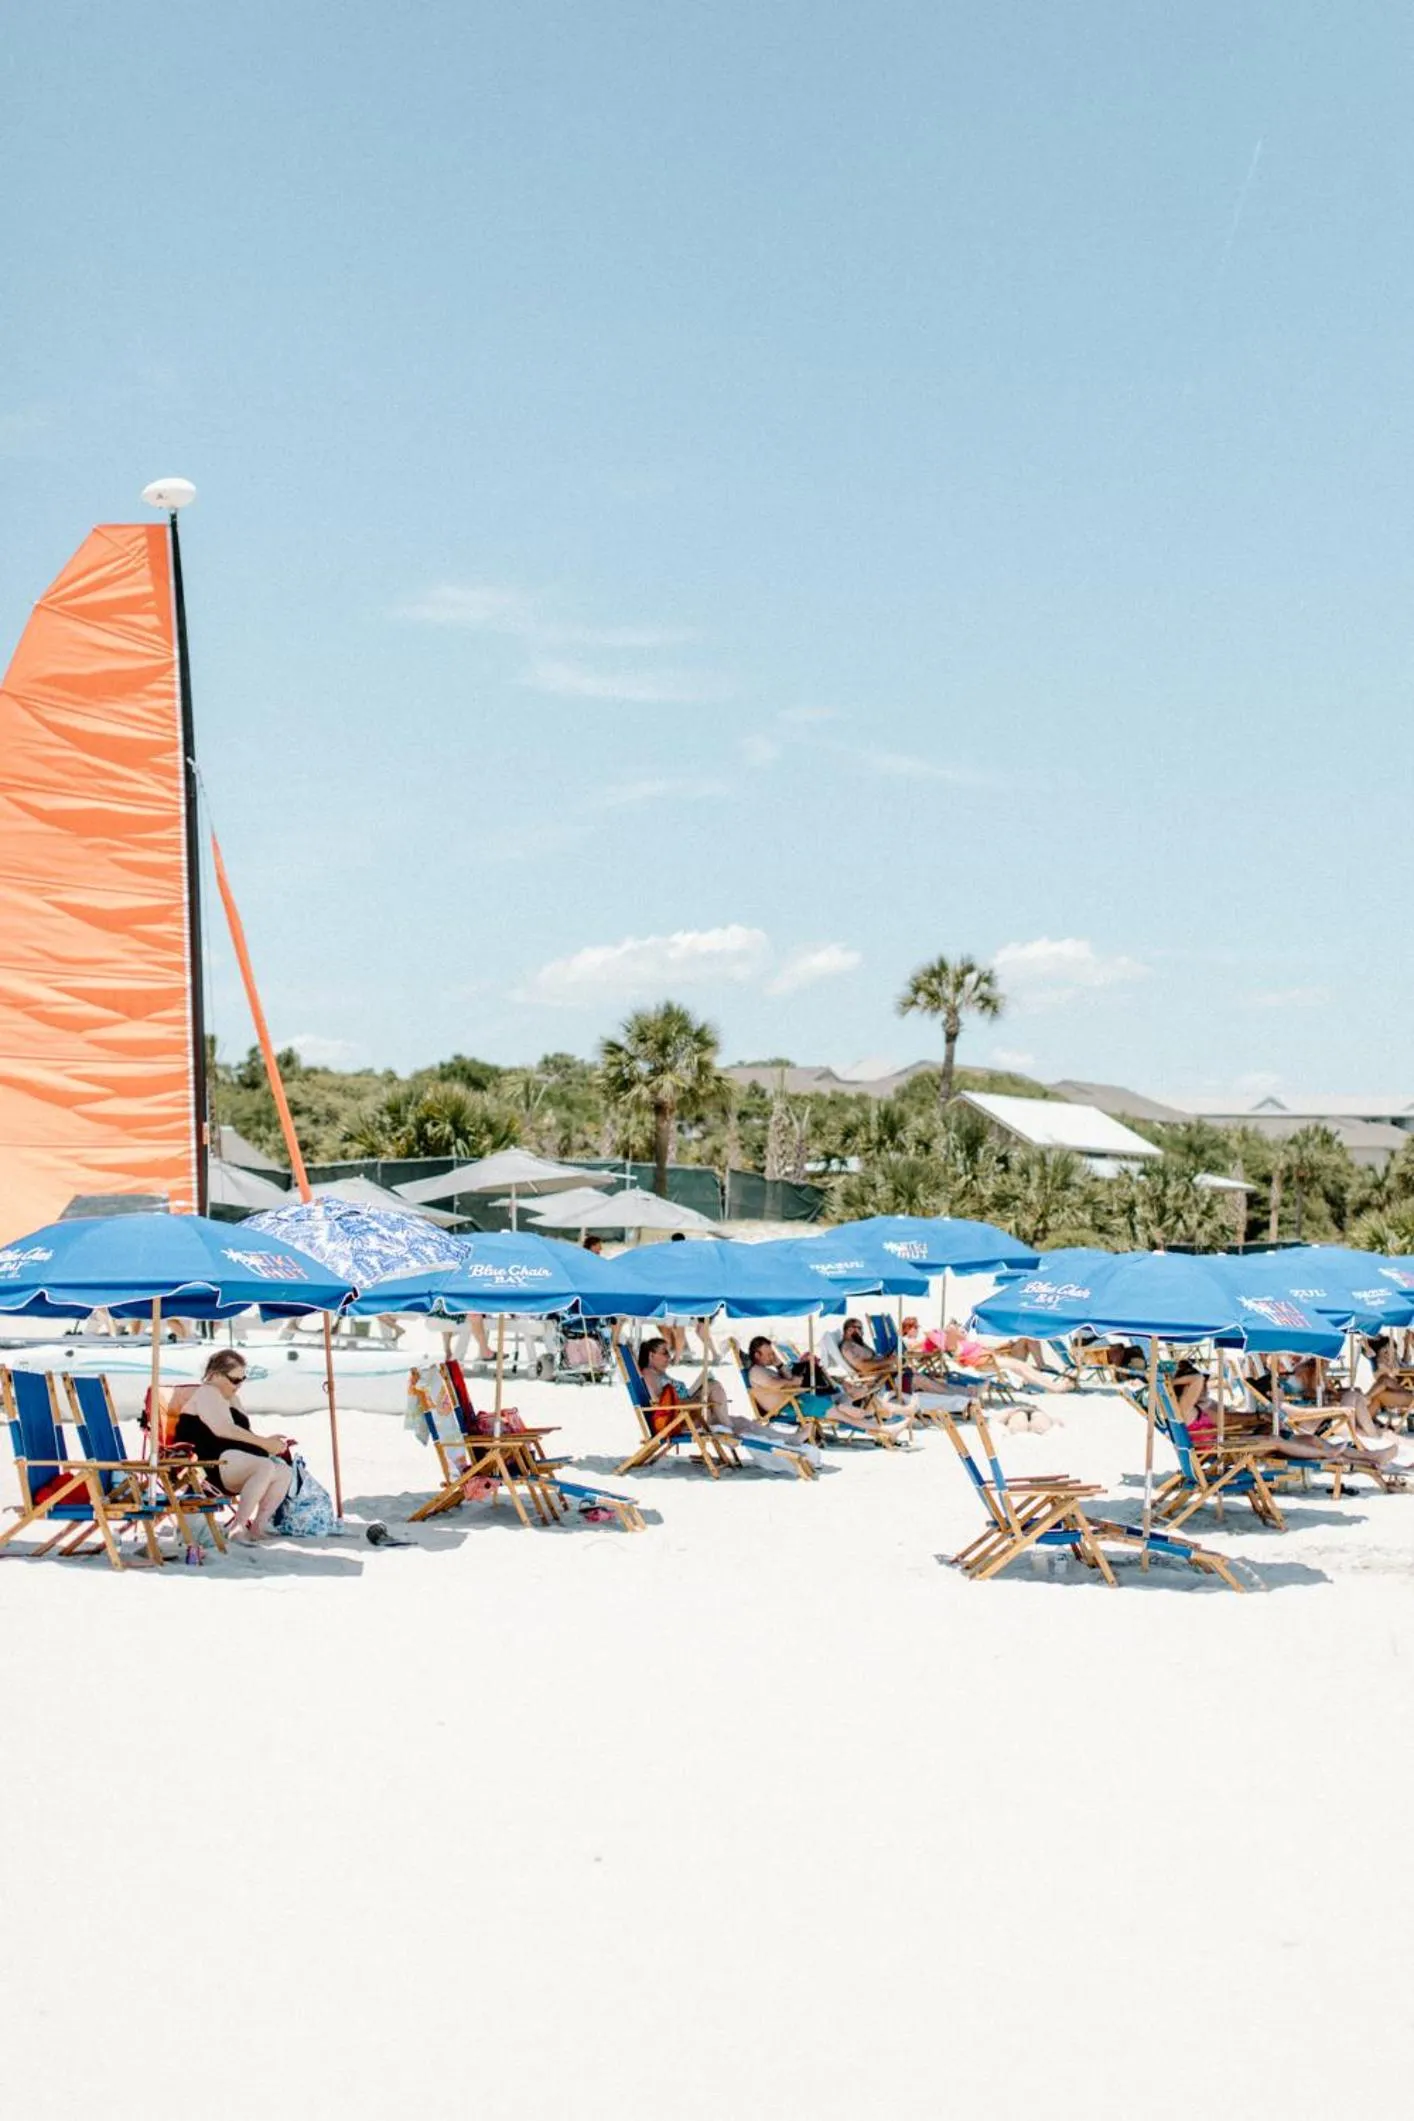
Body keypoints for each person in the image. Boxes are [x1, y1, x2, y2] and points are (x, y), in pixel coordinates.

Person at [638, 1336, 821, 1466]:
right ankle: (729, 1432)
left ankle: (790, 1439)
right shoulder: (649, 1374)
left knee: (743, 1421)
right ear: (651, 1355)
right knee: (714, 1386)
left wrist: (695, 1396)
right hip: (680, 1421)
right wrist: (694, 1400)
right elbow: (659, 1403)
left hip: (691, 1414)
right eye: (664, 1353)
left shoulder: (660, 1374)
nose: (669, 1356)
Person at [171, 1349, 294, 1542]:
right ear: (215, 1375)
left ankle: (257, 1527)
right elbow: (223, 1429)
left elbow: (243, 1435)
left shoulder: (232, 1399)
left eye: (243, 1379)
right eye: (235, 1380)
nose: (239, 1385)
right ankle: (238, 1526)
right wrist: (264, 1443)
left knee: (284, 1471)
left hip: (233, 1461)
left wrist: (269, 1443)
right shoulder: (207, 1392)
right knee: (265, 1466)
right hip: (209, 1464)